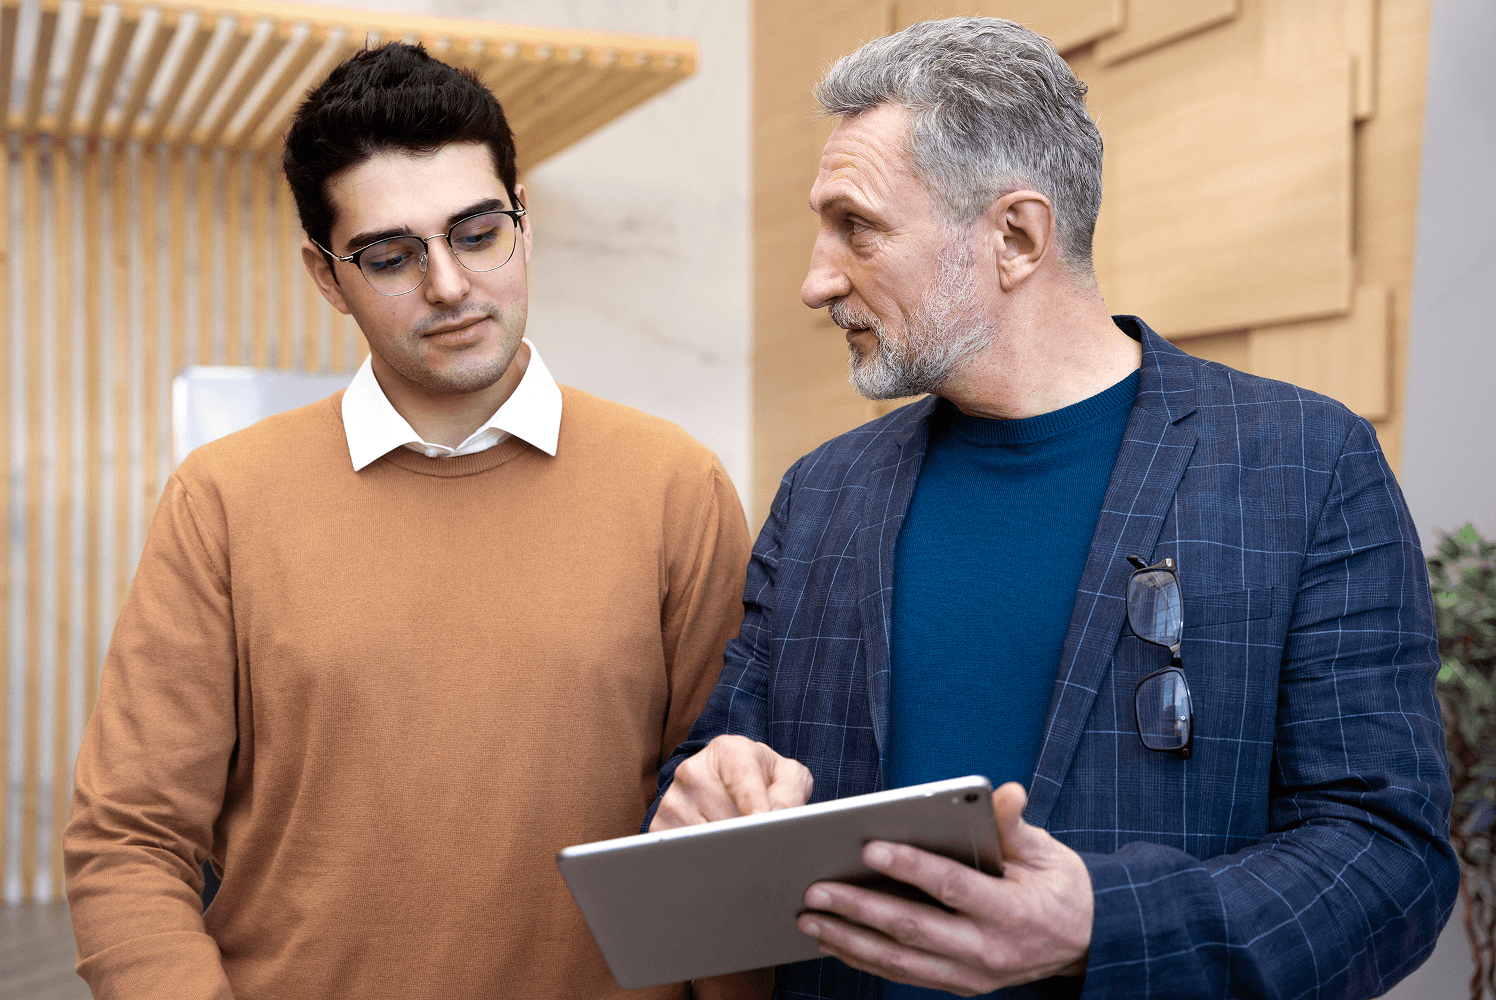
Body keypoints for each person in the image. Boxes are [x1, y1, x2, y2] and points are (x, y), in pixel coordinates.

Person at [648, 17, 1458, 1000]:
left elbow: (1388, 860)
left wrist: (1099, 925)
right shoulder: (820, 494)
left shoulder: (1305, 463)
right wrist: (704, 795)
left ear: (1016, 235)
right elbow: (717, 770)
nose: (815, 279)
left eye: (855, 227)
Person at [64, 43, 754, 999]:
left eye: (478, 234)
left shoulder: (675, 485)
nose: (449, 286)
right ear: (325, 274)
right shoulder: (223, 500)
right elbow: (129, 840)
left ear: (523, 222)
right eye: (393, 255)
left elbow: (731, 829)